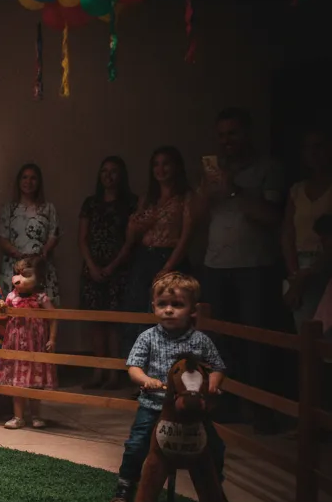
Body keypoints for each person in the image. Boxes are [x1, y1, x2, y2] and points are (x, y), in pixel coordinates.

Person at [194, 107, 286, 430]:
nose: (226, 141)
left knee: (255, 340)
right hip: (215, 264)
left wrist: (234, 188)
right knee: (217, 340)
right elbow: (197, 218)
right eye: (221, 135)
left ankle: (258, 410)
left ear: (246, 133)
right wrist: (207, 192)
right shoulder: (212, 171)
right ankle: (224, 404)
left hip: (255, 267)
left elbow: (273, 217)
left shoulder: (268, 168)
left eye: (232, 133)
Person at [110, 272, 226, 502]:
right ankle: (125, 485)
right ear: (154, 307)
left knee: (215, 446)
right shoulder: (147, 337)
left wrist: (213, 383)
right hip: (155, 405)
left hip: (193, 409)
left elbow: (217, 366)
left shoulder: (200, 340)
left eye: (177, 305)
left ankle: (216, 488)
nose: (169, 310)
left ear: (192, 309)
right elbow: (133, 367)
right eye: (163, 304)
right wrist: (145, 379)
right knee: (137, 444)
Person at [121, 146, 194, 349]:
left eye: (166, 164)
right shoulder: (147, 198)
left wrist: (168, 267)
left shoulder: (185, 197)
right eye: (156, 164)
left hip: (171, 257)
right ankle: (137, 367)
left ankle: (164, 367)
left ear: (176, 167)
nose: (160, 169)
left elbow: (186, 237)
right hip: (144, 256)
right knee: (136, 310)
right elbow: (131, 235)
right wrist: (136, 223)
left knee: (166, 313)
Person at [77, 156, 136, 389]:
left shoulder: (130, 203)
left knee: (114, 322)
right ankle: (98, 371)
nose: (108, 176)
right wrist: (92, 266)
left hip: (119, 268)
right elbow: (82, 239)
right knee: (95, 321)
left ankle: (114, 374)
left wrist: (112, 266)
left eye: (113, 171)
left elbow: (131, 241)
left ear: (121, 176)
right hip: (92, 267)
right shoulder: (90, 203)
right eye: (104, 171)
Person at [0, 255, 58, 429]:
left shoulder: (41, 298)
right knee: (17, 382)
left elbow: (53, 317)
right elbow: (3, 314)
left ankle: (36, 415)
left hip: (34, 346)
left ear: (39, 278)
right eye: (17, 274)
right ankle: (18, 417)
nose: (19, 279)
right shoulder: (11, 296)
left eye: (26, 274)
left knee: (34, 382)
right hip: (14, 346)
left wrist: (52, 338)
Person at [283, 128, 332, 331]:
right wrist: (295, 275)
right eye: (307, 148)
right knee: (304, 330)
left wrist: (306, 275)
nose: (313, 153)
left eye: (318, 146)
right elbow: (287, 234)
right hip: (299, 262)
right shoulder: (297, 190)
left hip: (327, 263)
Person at [0, 163, 61, 305]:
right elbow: (2, 238)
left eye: (33, 178)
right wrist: (20, 256)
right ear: (19, 181)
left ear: (39, 183)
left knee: (43, 310)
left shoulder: (48, 208)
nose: (28, 182)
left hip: (40, 266)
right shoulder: (9, 208)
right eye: (25, 177)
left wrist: (43, 252)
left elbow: (54, 235)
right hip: (15, 266)